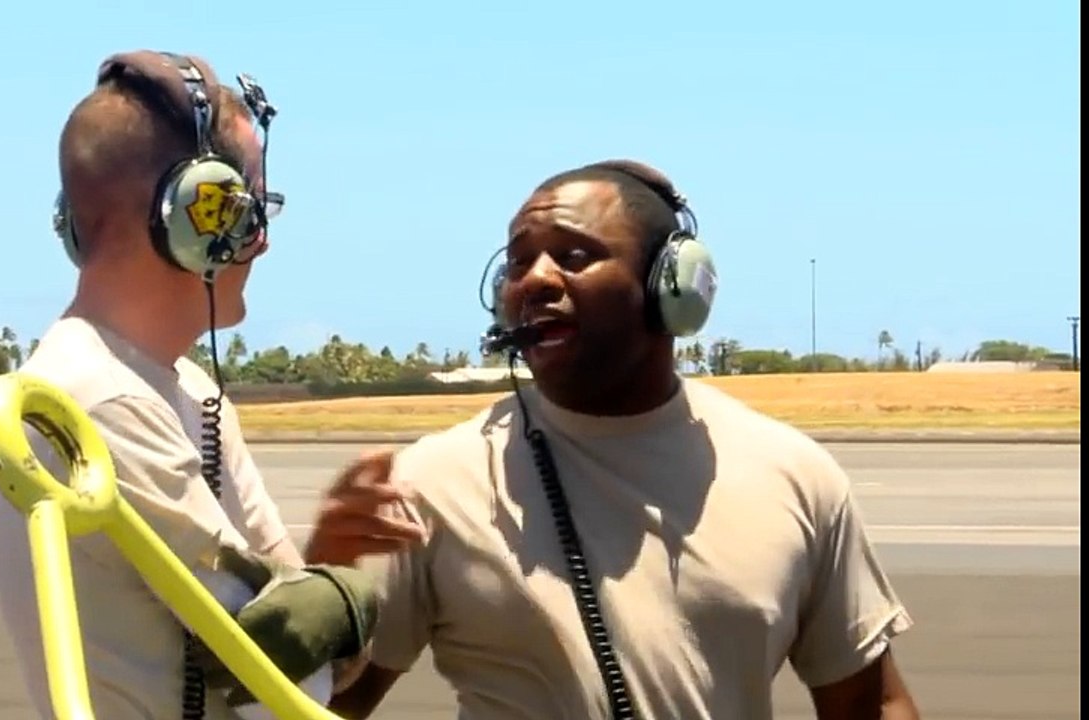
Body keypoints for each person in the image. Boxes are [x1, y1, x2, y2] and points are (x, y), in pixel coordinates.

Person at [313, 160, 921, 719]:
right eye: (519, 262)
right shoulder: (432, 482)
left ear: (672, 287)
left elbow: (870, 704)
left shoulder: (795, 475)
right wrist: (321, 583)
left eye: (575, 255)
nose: (535, 280)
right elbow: (321, 706)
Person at [0, 50, 393, 720]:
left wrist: (322, 608)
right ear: (197, 214)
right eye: (246, 208)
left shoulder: (190, 393)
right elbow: (287, 676)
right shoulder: (95, 400)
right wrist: (349, 603)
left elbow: (294, 619)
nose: (257, 241)